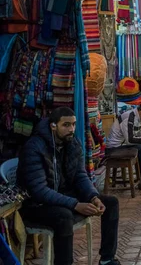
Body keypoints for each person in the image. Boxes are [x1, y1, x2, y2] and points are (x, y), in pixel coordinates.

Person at [17, 107, 121, 265]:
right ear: (53, 126)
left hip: (63, 195)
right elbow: (39, 191)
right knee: (64, 217)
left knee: (110, 202)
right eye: (66, 125)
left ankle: (107, 259)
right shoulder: (34, 148)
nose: (71, 129)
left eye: (73, 124)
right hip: (35, 204)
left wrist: (93, 197)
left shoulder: (72, 143)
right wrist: (75, 204)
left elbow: (80, 175)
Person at [105, 106, 141, 189]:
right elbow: (130, 140)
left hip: (122, 144)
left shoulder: (138, 119)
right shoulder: (129, 117)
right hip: (114, 148)